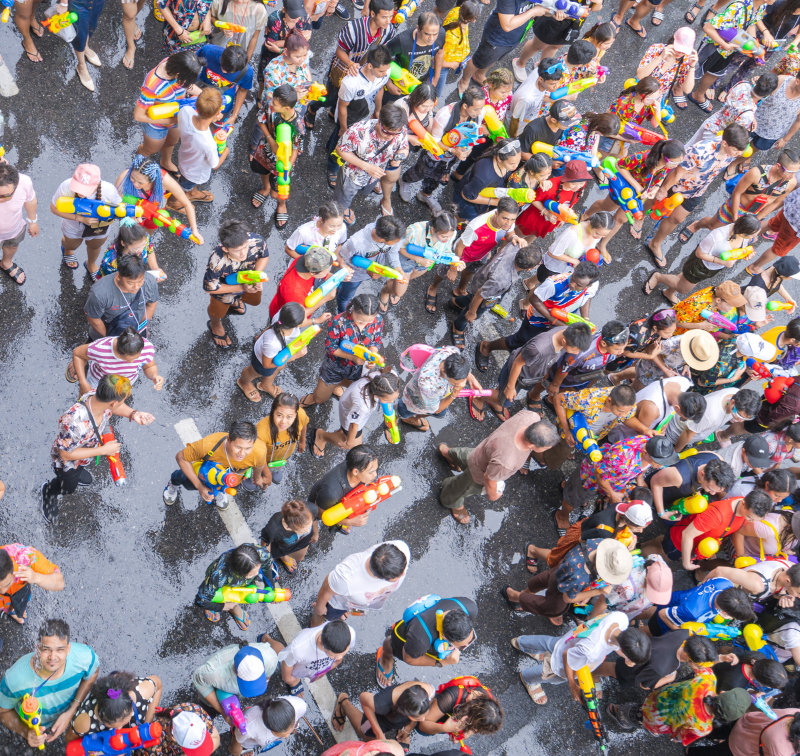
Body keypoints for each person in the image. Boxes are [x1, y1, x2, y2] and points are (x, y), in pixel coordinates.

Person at [42, 375, 154, 523]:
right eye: (123, 401)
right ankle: (49, 491)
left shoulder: (98, 397)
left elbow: (113, 410)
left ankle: (77, 473)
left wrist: (134, 414)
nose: (123, 403)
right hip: (68, 464)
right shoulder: (74, 421)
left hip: (84, 455)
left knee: (78, 474)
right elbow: (65, 455)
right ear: (113, 403)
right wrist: (103, 451)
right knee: (68, 487)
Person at [647, 124, 751, 267]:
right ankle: (638, 218)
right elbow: (678, 172)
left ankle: (655, 243)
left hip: (698, 190)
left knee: (677, 218)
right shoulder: (700, 151)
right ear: (725, 143)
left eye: (742, 150)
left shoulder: (731, 152)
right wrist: (664, 188)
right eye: (737, 150)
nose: (740, 154)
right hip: (679, 185)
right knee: (653, 200)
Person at [438, 413, 561, 524]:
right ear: (531, 445)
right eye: (546, 448)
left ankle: (447, 453)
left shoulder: (531, 417)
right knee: (463, 487)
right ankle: (451, 500)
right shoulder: (506, 462)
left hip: (482, 451)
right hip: (481, 472)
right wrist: (493, 495)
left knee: (468, 456)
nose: (547, 449)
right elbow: (488, 478)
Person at [515, 611, 650, 707]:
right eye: (629, 658)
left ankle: (520, 642)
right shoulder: (593, 651)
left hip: (572, 638)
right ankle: (528, 678)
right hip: (567, 660)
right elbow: (567, 656)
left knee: (551, 643)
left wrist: (626, 656)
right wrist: (572, 685)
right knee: (550, 672)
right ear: (623, 650)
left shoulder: (621, 619)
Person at [0, 619, 99, 749]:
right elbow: (3, 711)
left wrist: (71, 711)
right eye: (46, 649)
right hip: (30, 724)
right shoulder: (14, 679)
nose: (53, 657)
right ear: (37, 647)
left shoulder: (84, 657)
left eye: (60, 650)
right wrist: (26, 733)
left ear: (68, 648)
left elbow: (93, 672)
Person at [425, 199, 522, 324]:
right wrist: (453, 268)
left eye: (513, 219)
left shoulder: (508, 220)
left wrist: (515, 237)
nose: (509, 223)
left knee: (470, 271)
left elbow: (510, 232)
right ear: (496, 213)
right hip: (462, 255)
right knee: (444, 272)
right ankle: (433, 288)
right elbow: (460, 247)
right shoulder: (477, 226)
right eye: (505, 219)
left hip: (482, 254)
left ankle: (460, 289)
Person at [471, 323, 592, 423]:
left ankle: (497, 398)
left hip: (530, 373)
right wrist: (510, 386)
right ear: (564, 340)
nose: (576, 353)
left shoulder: (566, 331)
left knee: (501, 393)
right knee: (507, 400)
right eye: (575, 350)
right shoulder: (539, 348)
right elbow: (518, 363)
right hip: (517, 374)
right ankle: (478, 397)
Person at [501, 538, 633, 625]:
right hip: (564, 588)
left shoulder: (596, 543)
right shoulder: (580, 577)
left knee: (543, 579)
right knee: (546, 606)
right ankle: (515, 596)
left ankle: (525, 591)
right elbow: (569, 598)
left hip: (561, 569)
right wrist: (598, 591)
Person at [557, 436, 678, 529]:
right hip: (592, 478)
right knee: (575, 497)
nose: (661, 465)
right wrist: (612, 494)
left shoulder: (650, 442)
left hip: (611, 476)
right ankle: (562, 515)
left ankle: (569, 487)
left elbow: (641, 466)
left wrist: (639, 478)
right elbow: (598, 474)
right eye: (658, 461)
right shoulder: (621, 460)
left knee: (579, 494)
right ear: (645, 452)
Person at [308, 0, 396, 127]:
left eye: (390, 16)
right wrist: (350, 64)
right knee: (330, 97)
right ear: (372, 13)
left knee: (346, 97)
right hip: (343, 68)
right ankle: (312, 109)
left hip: (363, 71)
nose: (388, 21)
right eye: (384, 17)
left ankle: (334, 111)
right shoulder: (353, 29)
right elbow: (340, 51)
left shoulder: (389, 31)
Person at [584, 140, 685, 250]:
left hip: (638, 195)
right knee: (606, 206)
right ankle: (586, 215)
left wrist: (655, 189)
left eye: (678, 163)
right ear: (663, 155)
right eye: (674, 162)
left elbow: (661, 177)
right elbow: (620, 165)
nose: (676, 166)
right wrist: (637, 186)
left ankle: (602, 244)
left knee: (621, 219)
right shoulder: (643, 157)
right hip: (624, 188)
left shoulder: (666, 165)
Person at [484, 261, 600, 356]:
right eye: (573, 279)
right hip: (537, 321)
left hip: (560, 321)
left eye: (578, 285)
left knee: (535, 344)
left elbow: (587, 297)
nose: (573, 284)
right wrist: (554, 321)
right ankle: (486, 346)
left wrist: (585, 318)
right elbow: (534, 300)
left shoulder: (592, 285)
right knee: (518, 340)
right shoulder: (553, 284)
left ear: (588, 285)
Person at [399, 87, 486, 212]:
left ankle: (425, 195)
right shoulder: (445, 115)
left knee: (438, 177)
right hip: (434, 153)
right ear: (465, 106)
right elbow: (434, 141)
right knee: (421, 171)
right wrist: (453, 151)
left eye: (481, 108)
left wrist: (469, 149)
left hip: (451, 157)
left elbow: (473, 134)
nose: (480, 112)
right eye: (476, 109)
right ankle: (405, 180)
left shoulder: (478, 114)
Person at [606, 670, 751, 745]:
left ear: (723, 693)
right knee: (641, 718)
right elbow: (680, 737)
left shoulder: (707, 680)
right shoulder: (703, 727)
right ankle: (623, 717)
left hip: (655, 700)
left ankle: (620, 712)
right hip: (656, 723)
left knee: (637, 710)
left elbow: (700, 664)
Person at [643, 489, 773, 573]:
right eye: (750, 517)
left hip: (681, 532)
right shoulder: (717, 515)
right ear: (744, 503)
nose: (751, 521)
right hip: (679, 542)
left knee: (659, 541)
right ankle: (636, 557)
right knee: (660, 554)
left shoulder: (742, 503)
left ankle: (641, 544)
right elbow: (687, 535)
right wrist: (686, 562)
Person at [645, 214, 761, 304]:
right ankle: (658, 277)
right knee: (683, 289)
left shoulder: (744, 237)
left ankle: (669, 292)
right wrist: (722, 262)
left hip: (713, 268)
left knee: (685, 279)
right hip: (700, 265)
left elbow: (737, 252)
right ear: (743, 231)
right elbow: (699, 253)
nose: (754, 238)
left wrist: (745, 255)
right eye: (753, 235)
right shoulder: (718, 236)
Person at [455, 245, 541, 364]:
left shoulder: (513, 247)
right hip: (484, 292)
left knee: (470, 297)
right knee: (475, 310)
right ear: (528, 269)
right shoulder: (501, 280)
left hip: (482, 280)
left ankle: (457, 302)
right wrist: (471, 312)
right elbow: (480, 294)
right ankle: (458, 327)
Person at [688, 0, 776, 113]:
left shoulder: (760, 6)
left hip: (729, 49)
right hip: (713, 47)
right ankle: (678, 88)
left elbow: (752, 24)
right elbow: (708, 27)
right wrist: (724, 44)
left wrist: (754, 47)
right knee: (692, 68)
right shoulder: (738, 8)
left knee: (715, 72)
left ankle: (698, 95)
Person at [689, 150, 799, 238]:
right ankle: (696, 225)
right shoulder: (756, 173)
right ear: (778, 166)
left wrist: (757, 219)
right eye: (789, 172)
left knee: (732, 235)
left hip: (754, 213)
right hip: (737, 207)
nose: (792, 175)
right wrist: (735, 217)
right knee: (712, 225)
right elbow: (737, 193)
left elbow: (776, 202)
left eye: (796, 171)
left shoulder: (791, 182)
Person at [163, 419, 268, 509]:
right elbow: (180, 457)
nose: (242, 453)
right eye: (238, 447)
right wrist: (200, 486)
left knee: (221, 486)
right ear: (228, 439)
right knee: (182, 477)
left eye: (248, 448)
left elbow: (259, 463)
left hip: (225, 480)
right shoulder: (207, 446)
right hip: (202, 475)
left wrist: (257, 477)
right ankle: (173, 484)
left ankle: (218, 492)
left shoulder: (259, 450)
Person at [325, 46, 392, 188]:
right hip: (349, 118)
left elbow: (380, 89)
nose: (385, 74)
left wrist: (378, 111)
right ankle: (333, 166)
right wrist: (344, 128)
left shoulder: (384, 72)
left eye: (386, 70)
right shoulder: (350, 83)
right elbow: (342, 107)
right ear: (369, 65)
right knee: (340, 140)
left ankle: (329, 145)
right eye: (381, 71)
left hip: (367, 116)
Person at [302, 294, 383, 409]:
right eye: (360, 320)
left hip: (358, 370)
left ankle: (336, 387)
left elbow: (376, 341)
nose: (364, 324)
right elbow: (331, 347)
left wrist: (372, 356)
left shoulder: (378, 319)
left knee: (351, 388)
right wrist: (354, 358)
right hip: (335, 367)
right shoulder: (338, 322)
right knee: (319, 398)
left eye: (369, 321)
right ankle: (315, 397)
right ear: (353, 309)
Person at [332, 104, 409, 224]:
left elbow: (404, 148)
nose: (390, 137)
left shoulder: (400, 130)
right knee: (344, 196)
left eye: (395, 134)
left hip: (376, 174)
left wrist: (399, 157)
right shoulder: (358, 131)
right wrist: (366, 166)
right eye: (386, 132)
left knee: (365, 191)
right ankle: (343, 209)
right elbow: (340, 149)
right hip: (353, 174)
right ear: (379, 121)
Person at [378, 596, 478, 686]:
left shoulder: (469, 607)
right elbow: (409, 659)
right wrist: (442, 662)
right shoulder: (419, 641)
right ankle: (386, 657)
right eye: (460, 647)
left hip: (424, 617)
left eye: (471, 638)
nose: (463, 648)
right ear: (444, 637)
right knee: (391, 642)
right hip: (411, 632)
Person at [454, 0, 549, 92]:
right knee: (477, 61)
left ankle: (479, 75)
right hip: (497, 38)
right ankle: (464, 81)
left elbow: (546, 9)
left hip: (514, 38)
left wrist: (554, 11)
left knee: (493, 59)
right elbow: (507, 25)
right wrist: (533, 11)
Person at [310, 540, 410, 626]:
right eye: (397, 576)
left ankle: (345, 610)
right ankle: (313, 630)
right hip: (336, 604)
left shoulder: (401, 548)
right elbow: (326, 588)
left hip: (357, 604)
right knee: (325, 615)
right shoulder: (346, 578)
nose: (403, 574)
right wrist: (319, 608)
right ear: (381, 577)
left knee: (351, 609)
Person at [203, 219, 268, 349]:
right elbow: (210, 288)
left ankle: (234, 301)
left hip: (249, 281)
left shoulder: (256, 241)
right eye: (237, 250)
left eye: (245, 247)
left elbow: (264, 255)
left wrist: (256, 275)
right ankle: (215, 325)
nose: (243, 253)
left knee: (255, 300)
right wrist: (242, 287)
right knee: (218, 312)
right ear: (225, 249)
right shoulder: (216, 260)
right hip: (224, 290)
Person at [134, 52, 203, 173]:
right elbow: (138, 115)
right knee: (150, 150)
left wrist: (204, 95)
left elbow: (188, 86)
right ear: (178, 73)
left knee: (172, 141)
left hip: (175, 115)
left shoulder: (176, 66)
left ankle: (165, 162)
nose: (189, 84)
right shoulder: (152, 85)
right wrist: (170, 120)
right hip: (156, 123)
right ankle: (137, 168)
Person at [115, 155, 203, 249]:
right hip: (132, 212)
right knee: (129, 238)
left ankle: (143, 247)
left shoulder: (164, 181)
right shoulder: (124, 176)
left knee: (148, 232)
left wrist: (194, 229)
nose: (135, 183)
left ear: (152, 180)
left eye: (140, 183)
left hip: (155, 213)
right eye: (132, 178)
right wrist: (129, 215)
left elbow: (187, 204)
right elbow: (115, 201)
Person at [545, 384, 638, 472]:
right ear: (609, 401)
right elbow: (558, 399)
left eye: (626, 411)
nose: (623, 415)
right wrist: (567, 431)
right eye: (620, 411)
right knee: (553, 460)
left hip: (592, 435)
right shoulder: (588, 399)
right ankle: (538, 452)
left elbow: (627, 417)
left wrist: (644, 430)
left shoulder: (627, 402)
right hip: (570, 433)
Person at [51, 163, 124, 273]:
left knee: (94, 247)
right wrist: (80, 218)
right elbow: (54, 208)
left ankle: (90, 263)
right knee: (71, 244)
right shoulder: (66, 186)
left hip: (99, 228)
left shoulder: (108, 190)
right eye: (78, 187)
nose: (80, 192)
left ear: (97, 184)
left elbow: (119, 209)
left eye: (85, 189)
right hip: (73, 226)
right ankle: (68, 250)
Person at [309, 370, 400, 457]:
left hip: (349, 401)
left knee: (346, 434)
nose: (391, 402)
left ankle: (341, 431)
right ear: (377, 393)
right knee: (353, 445)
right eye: (387, 400)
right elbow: (353, 425)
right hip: (349, 414)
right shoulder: (363, 405)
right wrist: (349, 442)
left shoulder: (388, 376)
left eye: (395, 397)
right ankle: (321, 436)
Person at [250, 84, 305, 227]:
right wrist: (270, 139)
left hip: (283, 163)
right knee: (262, 169)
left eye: (275, 103)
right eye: (273, 100)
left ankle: (281, 203)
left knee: (279, 191)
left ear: (287, 108)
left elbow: (295, 149)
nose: (271, 103)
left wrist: (286, 168)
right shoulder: (270, 105)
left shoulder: (298, 126)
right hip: (265, 150)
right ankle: (266, 187)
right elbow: (260, 120)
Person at [686, 73, 779, 150]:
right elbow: (734, 133)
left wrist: (752, 117)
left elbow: (729, 99)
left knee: (688, 147)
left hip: (712, 122)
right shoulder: (748, 115)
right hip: (717, 137)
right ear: (768, 94)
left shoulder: (743, 84)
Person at [599, 632, 717, 693]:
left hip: (646, 647)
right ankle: (593, 673)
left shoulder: (685, 634)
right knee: (611, 669)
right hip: (631, 671)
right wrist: (669, 679)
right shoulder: (660, 669)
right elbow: (644, 685)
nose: (701, 669)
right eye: (699, 665)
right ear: (687, 656)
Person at [261, 620, 355, 696]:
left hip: (307, 667)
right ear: (321, 643)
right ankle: (267, 639)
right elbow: (286, 665)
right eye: (333, 656)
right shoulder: (298, 649)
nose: (338, 658)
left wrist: (326, 669)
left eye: (343, 653)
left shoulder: (349, 634)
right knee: (280, 655)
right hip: (294, 665)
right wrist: (291, 680)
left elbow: (337, 658)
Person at [400, 347, 484, 431]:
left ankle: (415, 418)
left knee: (440, 414)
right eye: (455, 383)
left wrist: (471, 379)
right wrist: (454, 394)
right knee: (404, 410)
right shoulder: (428, 386)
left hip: (437, 397)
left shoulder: (451, 352)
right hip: (415, 400)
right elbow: (436, 410)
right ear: (444, 371)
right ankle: (407, 419)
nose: (461, 385)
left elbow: (458, 365)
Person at [82, 255, 158, 346]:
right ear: (118, 276)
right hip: (106, 332)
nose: (136, 287)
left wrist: (140, 328)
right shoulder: (99, 293)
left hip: (134, 331)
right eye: (131, 283)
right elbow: (93, 318)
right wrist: (109, 338)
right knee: (89, 351)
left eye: (140, 281)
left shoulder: (150, 281)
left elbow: (151, 304)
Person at [237, 303, 306, 402]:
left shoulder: (281, 317)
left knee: (278, 367)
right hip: (262, 360)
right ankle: (244, 382)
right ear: (297, 324)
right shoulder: (273, 343)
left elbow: (269, 327)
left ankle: (266, 385)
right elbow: (267, 364)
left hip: (273, 353)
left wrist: (317, 321)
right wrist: (295, 356)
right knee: (252, 372)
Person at [335, 217, 406, 312]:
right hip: (355, 276)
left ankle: (339, 286)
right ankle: (342, 314)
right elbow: (343, 257)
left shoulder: (394, 234)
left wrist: (397, 266)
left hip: (370, 271)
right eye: (396, 241)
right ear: (382, 239)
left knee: (342, 287)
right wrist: (367, 270)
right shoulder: (356, 243)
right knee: (345, 297)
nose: (398, 242)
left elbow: (393, 251)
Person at [194, 543, 274, 628]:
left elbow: (267, 568)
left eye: (258, 569)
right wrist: (225, 606)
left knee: (243, 590)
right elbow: (201, 600)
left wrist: (271, 588)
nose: (257, 574)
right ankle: (225, 603)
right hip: (223, 582)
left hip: (241, 582)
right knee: (211, 594)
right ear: (240, 573)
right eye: (252, 574)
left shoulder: (262, 553)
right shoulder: (219, 574)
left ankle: (232, 603)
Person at [172, 87, 228, 208]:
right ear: (218, 113)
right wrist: (225, 152)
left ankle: (192, 193)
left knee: (186, 181)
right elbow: (214, 164)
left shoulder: (186, 111)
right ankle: (173, 202)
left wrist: (213, 116)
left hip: (184, 158)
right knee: (183, 185)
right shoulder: (208, 143)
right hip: (195, 173)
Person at [394, 209, 460, 308]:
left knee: (401, 281)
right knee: (399, 292)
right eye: (444, 237)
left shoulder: (451, 233)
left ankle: (393, 281)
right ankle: (387, 291)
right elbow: (399, 248)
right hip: (407, 261)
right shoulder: (415, 231)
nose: (447, 239)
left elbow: (447, 249)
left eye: (450, 236)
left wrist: (453, 262)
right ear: (433, 229)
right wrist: (419, 259)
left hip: (424, 266)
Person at [67, 672, 162, 740]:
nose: (120, 728)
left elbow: (157, 684)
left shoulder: (142, 691)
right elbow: (70, 740)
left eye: (123, 722)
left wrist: (147, 723)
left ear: (131, 707)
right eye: (113, 726)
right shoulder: (84, 722)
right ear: (101, 718)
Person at [335, 681, 435, 746]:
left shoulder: (427, 690)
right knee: (365, 733)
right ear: (405, 712)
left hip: (397, 717)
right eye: (418, 719)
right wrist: (378, 731)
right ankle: (344, 703)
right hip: (383, 718)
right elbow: (363, 698)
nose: (423, 720)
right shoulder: (380, 705)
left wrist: (409, 726)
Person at [306, 444, 379, 533]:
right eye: (371, 472)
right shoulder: (330, 492)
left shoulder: (357, 467)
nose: (375, 475)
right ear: (355, 471)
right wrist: (349, 521)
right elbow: (321, 514)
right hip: (325, 505)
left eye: (375, 470)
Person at [515, 158, 593, 242]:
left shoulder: (581, 184)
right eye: (573, 184)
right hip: (536, 219)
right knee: (518, 235)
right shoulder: (550, 186)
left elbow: (572, 201)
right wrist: (546, 213)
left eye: (581, 184)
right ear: (566, 178)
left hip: (552, 220)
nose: (577, 187)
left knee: (535, 235)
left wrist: (564, 218)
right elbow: (534, 199)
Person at [191, 641, 278, 715]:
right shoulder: (212, 673)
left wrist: (266, 680)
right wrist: (221, 711)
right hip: (216, 688)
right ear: (234, 668)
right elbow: (198, 680)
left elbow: (268, 675)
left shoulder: (271, 658)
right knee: (208, 707)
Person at [70, 326, 161, 396]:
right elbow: (77, 354)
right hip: (98, 382)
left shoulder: (147, 348)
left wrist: (154, 376)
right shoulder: (100, 348)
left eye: (137, 358)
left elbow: (149, 366)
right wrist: (83, 383)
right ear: (119, 352)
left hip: (123, 385)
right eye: (127, 359)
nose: (133, 362)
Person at [645, 449, 733, 518]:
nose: (713, 493)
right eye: (709, 489)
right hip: (655, 490)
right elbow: (655, 482)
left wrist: (697, 492)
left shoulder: (717, 458)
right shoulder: (679, 476)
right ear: (702, 474)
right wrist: (661, 513)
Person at [453, 140, 523, 223]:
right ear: (499, 159)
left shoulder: (505, 163)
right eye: (512, 163)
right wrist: (495, 202)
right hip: (468, 204)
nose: (516, 166)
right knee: (462, 218)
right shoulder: (484, 176)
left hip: (481, 196)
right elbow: (466, 195)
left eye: (518, 161)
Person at [383, 13, 445, 105]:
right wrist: (388, 84)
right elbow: (382, 58)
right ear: (418, 28)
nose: (431, 39)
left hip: (421, 84)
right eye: (427, 34)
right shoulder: (402, 41)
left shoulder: (441, 34)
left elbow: (440, 51)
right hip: (398, 84)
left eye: (435, 34)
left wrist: (436, 77)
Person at [259, 0, 313, 102]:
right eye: (293, 16)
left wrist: (283, 45)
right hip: (272, 54)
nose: (297, 19)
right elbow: (271, 44)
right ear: (284, 9)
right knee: (265, 79)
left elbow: (307, 36)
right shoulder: (274, 19)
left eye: (299, 15)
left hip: (292, 53)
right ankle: (260, 95)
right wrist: (296, 40)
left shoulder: (305, 17)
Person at [268, 246, 339, 321]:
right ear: (312, 273)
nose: (328, 272)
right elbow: (298, 317)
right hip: (282, 318)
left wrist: (340, 276)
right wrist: (324, 299)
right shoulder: (294, 292)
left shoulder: (304, 261)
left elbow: (324, 275)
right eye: (326, 270)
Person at [633, 28, 698, 108]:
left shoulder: (686, 61)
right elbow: (640, 75)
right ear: (673, 40)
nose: (681, 53)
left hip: (656, 96)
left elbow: (687, 90)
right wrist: (660, 58)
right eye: (679, 48)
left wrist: (692, 67)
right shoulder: (657, 49)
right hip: (640, 89)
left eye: (684, 50)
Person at [538, 211, 615, 278]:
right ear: (591, 224)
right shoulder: (572, 233)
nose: (599, 237)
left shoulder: (597, 235)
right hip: (554, 268)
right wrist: (574, 261)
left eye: (604, 236)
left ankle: (529, 283)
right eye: (597, 233)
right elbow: (552, 252)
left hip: (569, 271)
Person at [0, 545, 63, 625]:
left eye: (7, 584)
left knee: (20, 599)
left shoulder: (27, 557)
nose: (3, 591)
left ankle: (11, 609)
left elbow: (59, 583)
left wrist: (37, 577)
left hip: (19, 588)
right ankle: (10, 609)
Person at [196, 43, 254, 129]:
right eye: (222, 66)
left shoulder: (247, 73)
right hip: (198, 93)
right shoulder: (208, 51)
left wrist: (234, 115)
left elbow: (242, 90)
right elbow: (192, 63)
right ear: (221, 57)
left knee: (216, 126)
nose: (223, 72)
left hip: (223, 105)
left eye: (229, 72)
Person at [255, 394, 309, 485]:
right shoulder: (262, 432)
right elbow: (257, 456)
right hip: (262, 459)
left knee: (275, 466)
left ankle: (275, 468)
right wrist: (267, 474)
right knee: (256, 467)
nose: (283, 421)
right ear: (273, 412)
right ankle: (255, 475)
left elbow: (304, 425)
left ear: (296, 414)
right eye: (279, 415)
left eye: (289, 417)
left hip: (282, 456)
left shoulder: (301, 415)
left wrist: (303, 441)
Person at [0, 162, 37, 286]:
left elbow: (30, 200)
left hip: (13, 230)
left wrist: (32, 222)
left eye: (4, 196)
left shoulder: (25, 183)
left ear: (16, 187)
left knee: (11, 247)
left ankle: (6, 263)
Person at [230, 696, 308, 754]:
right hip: (248, 740)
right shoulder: (249, 728)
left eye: (289, 729)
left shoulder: (299, 705)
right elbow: (236, 742)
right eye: (280, 734)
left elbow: (298, 716)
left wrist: (296, 726)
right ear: (269, 727)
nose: (287, 736)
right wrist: (236, 751)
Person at [95, 220, 164, 285]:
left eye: (143, 245)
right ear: (123, 243)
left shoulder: (145, 238)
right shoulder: (111, 261)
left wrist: (155, 268)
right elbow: (108, 281)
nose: (142, 249)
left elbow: (149, 250)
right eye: (136, 248)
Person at [508, 57, 563, 138]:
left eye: (559, 82)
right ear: (541, 79)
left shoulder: (538, 72)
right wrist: (513, 138)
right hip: (517, 127)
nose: (556, 86)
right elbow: (514, 120)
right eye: (552, 84)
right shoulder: (527, 99)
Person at [437, 0, 480, 100]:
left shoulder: (455, 11)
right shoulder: (453, 37)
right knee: (438, 87)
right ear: (474, 19)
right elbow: (438, 61)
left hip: (451, 57)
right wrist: (451, 65)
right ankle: (434, 100)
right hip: (444, 66)